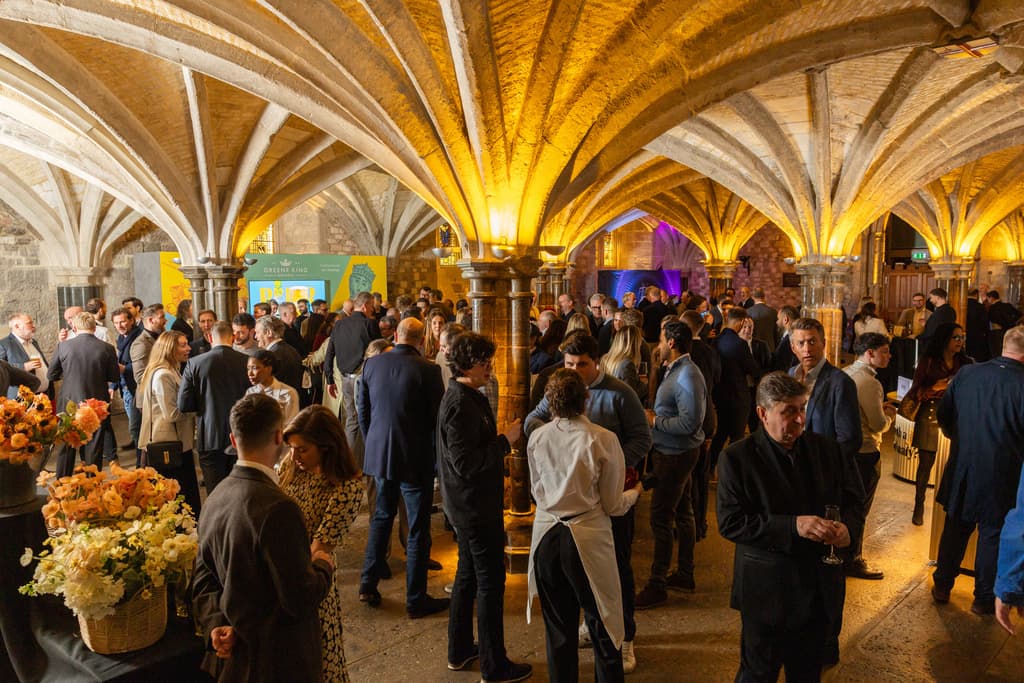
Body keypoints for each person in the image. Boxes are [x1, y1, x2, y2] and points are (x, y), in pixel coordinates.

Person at [717, 372, 865, 682]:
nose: (799, 419)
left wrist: (848, 532)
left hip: (817, 589)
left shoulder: (828, 450)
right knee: (758, 674)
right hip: (767, 592)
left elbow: (854, 500)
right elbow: (732, 523)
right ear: (763, 413)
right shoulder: (737, 458)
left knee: (807, 674)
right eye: (788, 411)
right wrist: (792, 526)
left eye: (802, 408)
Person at [525, 332, 651, 673]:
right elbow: (612, 504)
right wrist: (632, 489)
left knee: (562, 627)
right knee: (601, 618)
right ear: (584, 401)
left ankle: (625, 641)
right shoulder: (600, 439)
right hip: (587, 527)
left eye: (581, 364)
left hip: (551, 529)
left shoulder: (619, 395)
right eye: (569, 364)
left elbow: (537, 490)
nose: (575, 370)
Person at [192, 394, 335, 683]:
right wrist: (322, 565)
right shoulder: (279, 508)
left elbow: (203, 576)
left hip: (234, 659)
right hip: (278, 661)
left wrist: (216, 623)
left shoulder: (215, 496)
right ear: (279, 436)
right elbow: (298, 598)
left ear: (233, 440)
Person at [437, 332, 532, 683]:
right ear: (467, 365)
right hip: (474, 507)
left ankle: (460, 648)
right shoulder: (461, 403)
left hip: (468, 505)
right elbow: (465, 463)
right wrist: (505, 441)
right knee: (491, 582)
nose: (490, 367)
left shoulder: (465, 396)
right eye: (484, 361)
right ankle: (495, 665)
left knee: (467, 576)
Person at [357, 317, 448, 618]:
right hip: (415, 457)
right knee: (418, 527)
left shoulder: (372, 365)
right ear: (422, 340)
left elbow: (363, 410)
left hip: (380, 453)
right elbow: (437, 419)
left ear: (396, 335)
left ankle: (367, 582)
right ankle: (415, 598)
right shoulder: (428, 370)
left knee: (381, 518)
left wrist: (373, 442)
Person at [932, 325, 1024, 616]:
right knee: (992, 535)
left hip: (963, 465)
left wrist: (960, 440)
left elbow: (944, 414)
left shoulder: (968, 373)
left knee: (955, 527)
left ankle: (942, 584)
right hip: (1003, 472)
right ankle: (983, 599)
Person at [279, 406, 365, 683]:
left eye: (303, 450)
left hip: (312, 576)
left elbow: (321, 547)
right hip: (280, 572)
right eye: (292, 448)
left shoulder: (345, 487)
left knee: (319, 659)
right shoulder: (292, 466)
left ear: (326, 446)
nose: (294, 456)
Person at [635, 321, 706, 611]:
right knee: (683, 511)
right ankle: (685, 573)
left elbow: (690, 423)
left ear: (672, 343)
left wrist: (655, 421)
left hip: (676, 454)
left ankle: (657, 583)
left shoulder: (687, 374)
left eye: (662, 340)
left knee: (661, 518)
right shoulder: (675, 369)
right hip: (673, 452)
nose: (659, 345)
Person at [904, 322, 972, 526]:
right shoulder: (929, 361)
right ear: (944, 339)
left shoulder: (965, 362)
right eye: (955, 337)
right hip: (930, 413)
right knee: (925, 463)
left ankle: (950, 507)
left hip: (955, 414)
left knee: (956, 461)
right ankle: (919, 504)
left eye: (962, 337)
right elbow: (916, 390)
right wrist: (936, 386)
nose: (960, 341)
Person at [843, 332, 897, 580]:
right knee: (859, 509)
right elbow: (877, 424)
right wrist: (889, 418)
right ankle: (853, 559)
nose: (889, 356)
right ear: (870, 353)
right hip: (865, 451)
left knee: (847, 506)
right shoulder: (870, 383)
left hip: (847, 451)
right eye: (884, 352)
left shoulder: (846, 373)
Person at [178, 321, 252, 494]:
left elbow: (183, 404)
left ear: (210, 337)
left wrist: (203, 405)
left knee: (215, 492)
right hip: (242, 433)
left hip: (209, 434)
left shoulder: (195, 363)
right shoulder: (247, 361)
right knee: (241, 490)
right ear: (233, 338)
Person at [48, 312, 120, 477]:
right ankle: (91, 483)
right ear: (94, 327)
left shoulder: (63, 346)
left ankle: (62, 482)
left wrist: (69, 374)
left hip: (69, 401)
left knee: (66, 444)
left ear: (74, 327)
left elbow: (51, 375)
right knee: (94, 445)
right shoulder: (107, 348)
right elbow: (114, 376)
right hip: (97, 402)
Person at [138, 330, 201, 513]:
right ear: (169, 348)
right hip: (169, 445)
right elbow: (172, 414)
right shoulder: (163, 375)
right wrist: (197, 410)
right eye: (183, 345)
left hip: (174, 442)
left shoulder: (170, 370)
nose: (188, 348)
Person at [325, 291, 382, 474]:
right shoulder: (369, 324)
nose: (373, 310)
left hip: (345, 379)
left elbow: (330, 352)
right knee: (369, 419)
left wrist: (329, 378)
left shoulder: (339, 324)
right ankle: (370, 463)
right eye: (372, 306)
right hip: (365, 379)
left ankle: (349, 464)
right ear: (365, 306)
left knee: (351, 421)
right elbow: (379, 351)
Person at [111, 307, 142, 449]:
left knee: (136, 426)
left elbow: (143, 363)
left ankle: (141, 453)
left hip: (135, 385)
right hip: (125, 385)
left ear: (131, 321)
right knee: (134, 423)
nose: (119, 326)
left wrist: (125, 369)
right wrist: (113, 386)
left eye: (122, 322)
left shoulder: (138, 337)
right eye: (116, 323)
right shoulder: (121, 338)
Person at [0, 313, 51, 399]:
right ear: (17, 326)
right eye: (29, 323)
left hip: (42, 396)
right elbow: (2, 369)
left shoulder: (33, 342)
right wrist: (23, 367)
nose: (33, 326)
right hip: (20, 399)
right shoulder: (4, 344)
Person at [255, 315, 305, 400]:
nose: (255, 336)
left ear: (269, 333)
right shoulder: (291, 349)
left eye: (257, 332)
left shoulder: (272, 356)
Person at [245, 349, 300, 426]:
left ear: (269, 369)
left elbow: (291, 425)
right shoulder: (250, 392)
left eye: (254, 368)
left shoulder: (288, 393)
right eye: (248, 368)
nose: (250, 373)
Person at [599, 323, 647, 401]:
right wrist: (645, 385)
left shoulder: (605, 359)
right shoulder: (627, 364)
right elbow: (631, 395)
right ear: (634, 344)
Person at [131, 304, 167, 385]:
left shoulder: (161, 337)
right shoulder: (141, 344)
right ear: (151, 320)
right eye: (162, 317)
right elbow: (140, 377)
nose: (165, 320)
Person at [772, 305, 799, 371]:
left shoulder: (789, 339)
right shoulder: (795, 336)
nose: (776, 322)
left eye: (778, 319)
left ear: (785, 319)